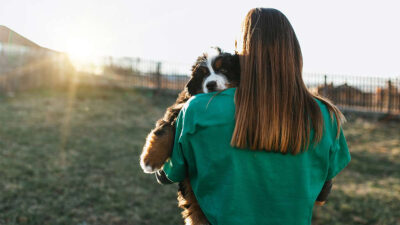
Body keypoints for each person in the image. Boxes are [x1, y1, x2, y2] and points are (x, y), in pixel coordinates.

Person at [158, 8, 351, 225]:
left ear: (240, 55)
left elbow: (165, 174)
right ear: (294, 54)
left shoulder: (198, 109)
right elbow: (321, 195)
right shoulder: (325, 116)